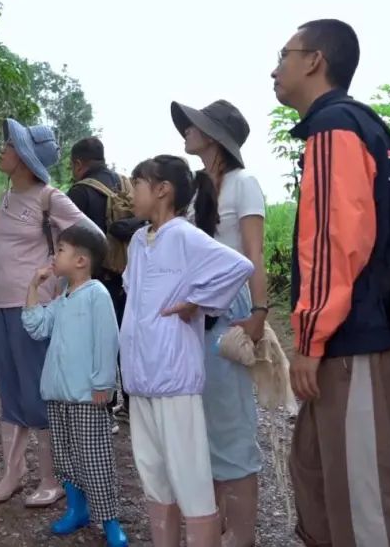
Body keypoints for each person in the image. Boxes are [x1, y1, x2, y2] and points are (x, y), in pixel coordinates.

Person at [272, 18, 390, 547]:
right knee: (313, 471)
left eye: (284, 54)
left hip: (356, 341)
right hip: (364, 336)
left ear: (314, 61)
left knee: (363, 504)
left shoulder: (335, 127)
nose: (274, 67)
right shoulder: (371, 129)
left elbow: (336, 242)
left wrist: (310, 340)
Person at [120, 155, 253, 546]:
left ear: (163, 190)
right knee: (154, 474)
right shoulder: (137, 242)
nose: (131, 192)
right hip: (140, 376)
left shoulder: (183, 235)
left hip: (174, 377)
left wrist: (196, 300)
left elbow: (238, 266)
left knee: (190, 478)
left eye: (137, 183)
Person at [0, 118, 99, 508]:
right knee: (9, 389)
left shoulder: (49, 198)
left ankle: (51, 479)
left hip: (31, 305)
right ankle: (13, 473)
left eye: (9, 145)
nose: (1, 149)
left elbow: (93, 238)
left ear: (25, 158)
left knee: (38, 392)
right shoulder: (6, 196)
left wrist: (57, 274)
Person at [173, 99, 268, 546]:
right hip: (195, 320)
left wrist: (258, 316)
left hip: (228, 317)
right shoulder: (196, 191)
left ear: (213, 136)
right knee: (204, 428)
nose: (186, 131)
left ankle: (242, 536)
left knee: (231, 427)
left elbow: (254, 253)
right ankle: (217, 531)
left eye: (194, 126)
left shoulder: (242, 184)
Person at [21, 225, 129, 547]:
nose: (55, 256)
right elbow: (36, 326)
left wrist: (104, 384)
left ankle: (110, 521)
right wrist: (33, 286)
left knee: (93, 458)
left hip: (86, 396)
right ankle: (77, 509)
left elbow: (107, 340)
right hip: (58, 394)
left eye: (62, 250)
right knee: (65, 457)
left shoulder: (96, 294)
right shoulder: (62, 297)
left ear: (81, 260)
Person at [66, 137, 142, 422]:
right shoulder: (125, 184)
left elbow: (71, 239)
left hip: (93, 279)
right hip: (127, 276)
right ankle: (133, 405)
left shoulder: (79, 193)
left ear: (78, 163)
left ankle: (103, 407)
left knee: (97, 343)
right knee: (124, 338)